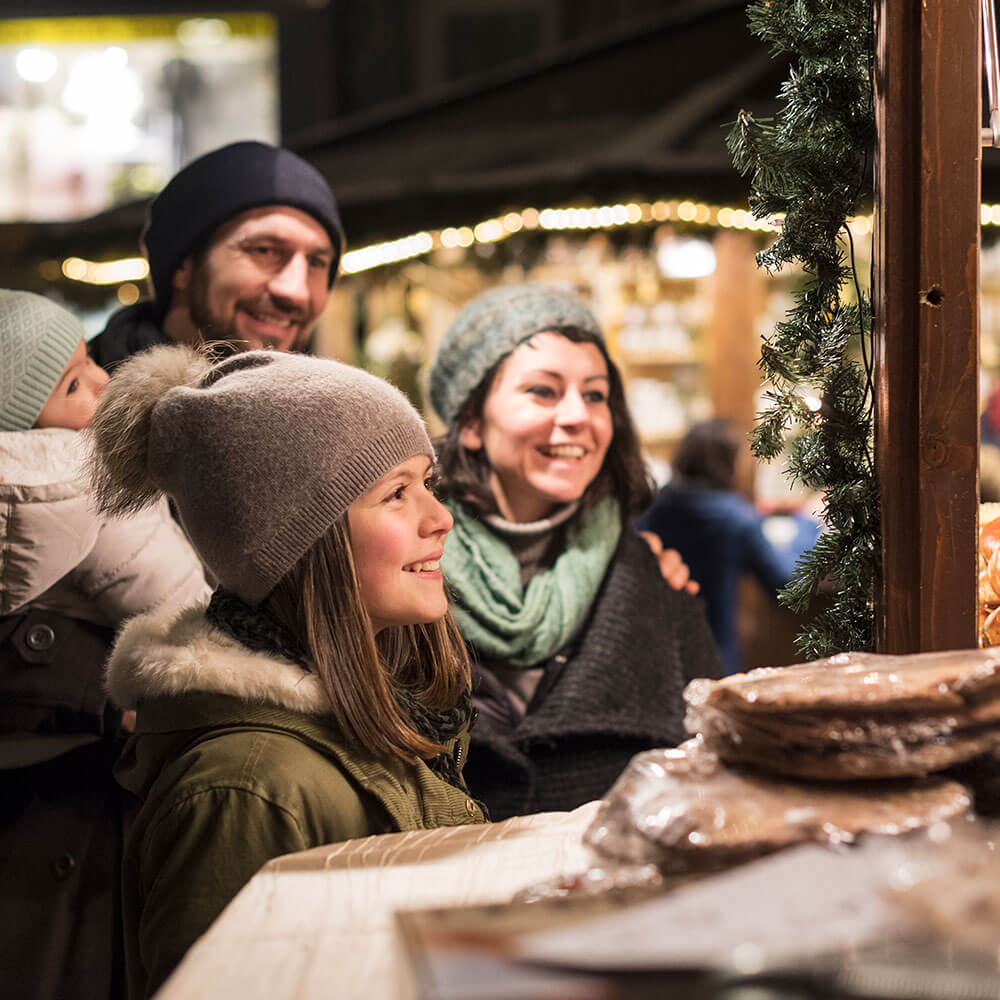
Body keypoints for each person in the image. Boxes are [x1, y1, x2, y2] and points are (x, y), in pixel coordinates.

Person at [87, 343, 485, 999]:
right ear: (302, 547)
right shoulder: (243, 792)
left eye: (428, 484)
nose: (439, 517)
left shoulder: (376, 718)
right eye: (396, 494)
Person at [428, 283, 722, 821]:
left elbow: (714, 759)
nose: (577, 416)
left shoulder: (651, 575)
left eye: (594, 394)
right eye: (542, 391)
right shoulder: (408, 568)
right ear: (470, 422)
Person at [0, 291, 210, 1000]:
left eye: (90, 363)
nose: (100, 386)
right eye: (71, 385)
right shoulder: (73, 480)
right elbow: (172, 597)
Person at [88, 141, 345, 370]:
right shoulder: (68, 408)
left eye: (316, 262)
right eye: (264, 250)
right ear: (183, 267)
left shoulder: (336, 416)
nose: (296, 292)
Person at [638, 418, 821, 675]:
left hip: (652, 656)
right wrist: (807, 522)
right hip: (713, 656)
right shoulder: (734, 517)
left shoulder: (655, 506)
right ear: (729, 462)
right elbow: (788, 583)